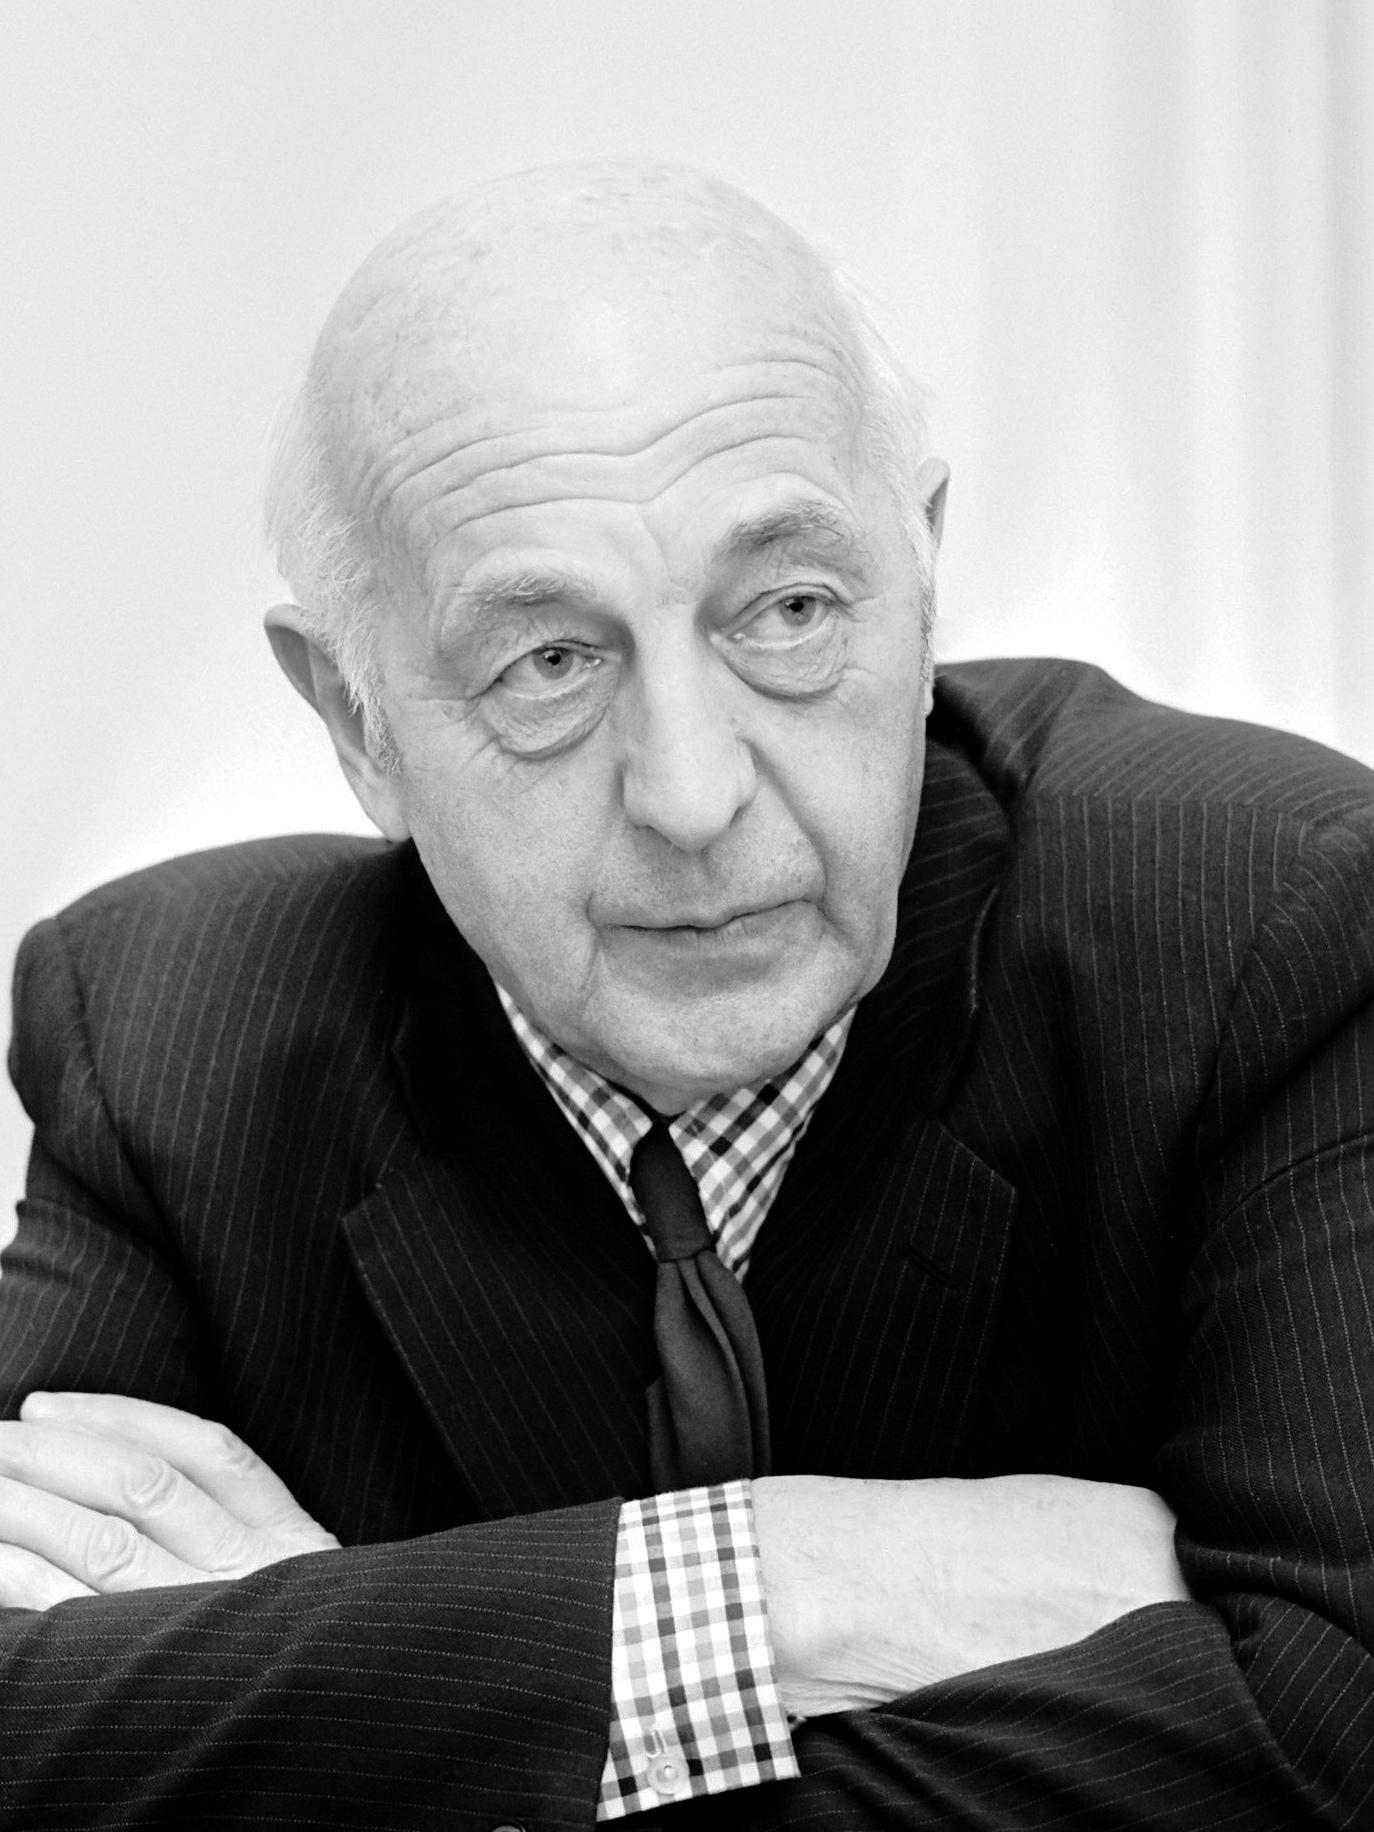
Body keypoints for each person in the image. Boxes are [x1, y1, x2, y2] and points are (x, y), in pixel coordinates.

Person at [2, 159, 1371, 1829]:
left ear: (920, 579)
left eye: (788, 612)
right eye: (549, 662)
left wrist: (356, 1703)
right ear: (356, 722)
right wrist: (780, 1585)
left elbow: (1329, 1739)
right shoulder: (168, 1032)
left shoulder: (1274, 926)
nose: (692, 791)